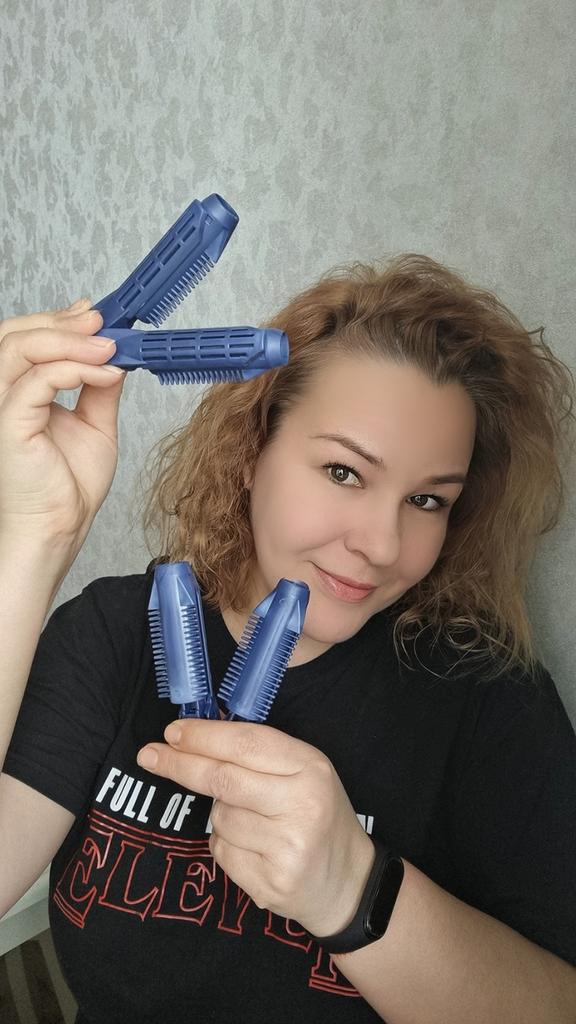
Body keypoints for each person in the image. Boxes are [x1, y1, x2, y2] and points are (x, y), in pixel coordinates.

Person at [0, 255, 575, 1024]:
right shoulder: (113, 635)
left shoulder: (487, 698)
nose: (381, 544)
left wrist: (354, 891)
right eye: (344, 472)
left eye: (427, 500)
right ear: (251, 452)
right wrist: (35, 537)